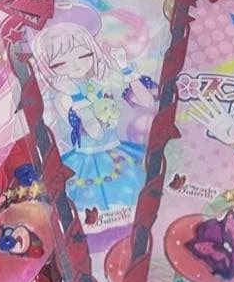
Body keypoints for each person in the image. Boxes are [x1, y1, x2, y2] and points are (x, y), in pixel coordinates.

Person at [31, 22, 153, 210]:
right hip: (86, 162)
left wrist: (125, 68)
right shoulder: (63, 98)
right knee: (94, 210)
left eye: (83, 55)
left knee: (136, 204)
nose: (76, 65)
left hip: (118, 153)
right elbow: (96, 133)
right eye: (61, 63)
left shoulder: (101, 82)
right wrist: (75, 95)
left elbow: (147, 101)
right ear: (48, 68)